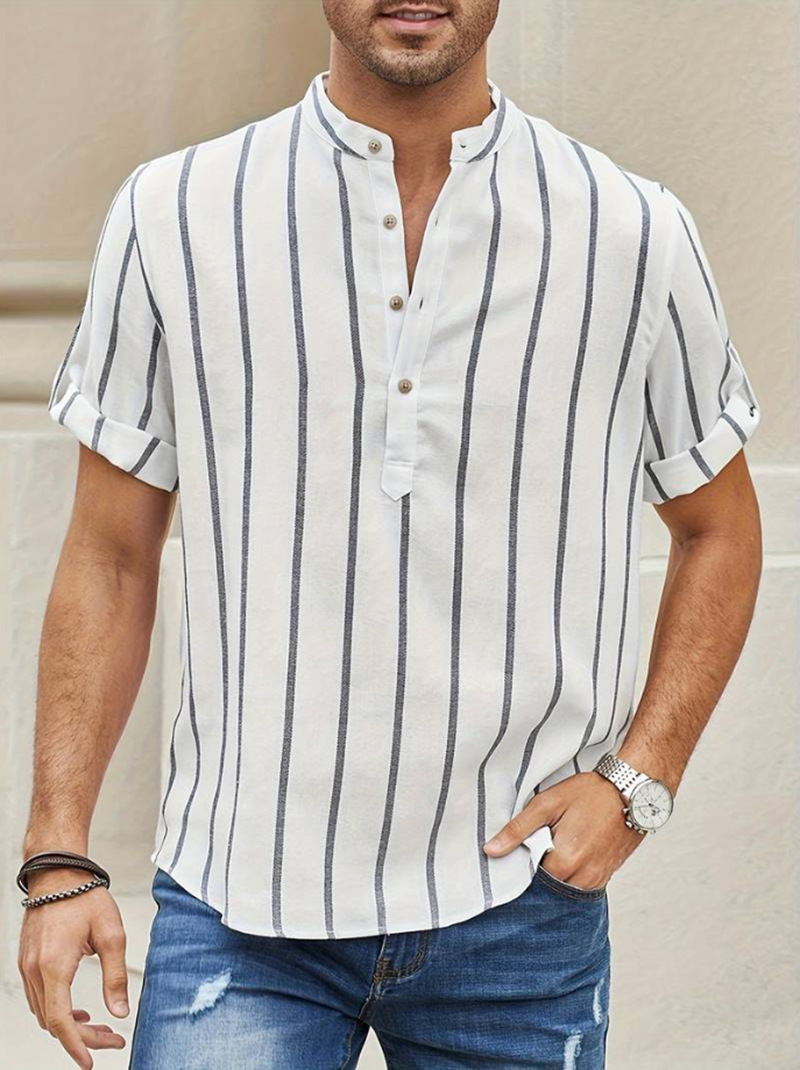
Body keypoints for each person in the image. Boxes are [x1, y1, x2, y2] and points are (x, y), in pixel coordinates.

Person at [17, 1, 763, 1067]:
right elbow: (111, 555)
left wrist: (638, 784)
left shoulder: (631, 230)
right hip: (236, 902)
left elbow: (719, 529)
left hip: (517, 908)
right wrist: (58, 855)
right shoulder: (174, 211)